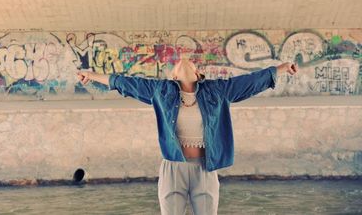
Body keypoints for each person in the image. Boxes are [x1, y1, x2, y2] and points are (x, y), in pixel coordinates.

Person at [77, 59, 298, 215]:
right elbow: (125, 83)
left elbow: (249, 82)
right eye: (178, 64)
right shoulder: (160, 90)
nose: (184, 61)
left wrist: (280, 69)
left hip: (205, 167)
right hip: (173, 166)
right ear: (173, 76)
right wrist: (91, 75)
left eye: (191, 63)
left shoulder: (217, 90)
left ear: (198, 74)